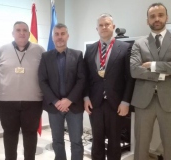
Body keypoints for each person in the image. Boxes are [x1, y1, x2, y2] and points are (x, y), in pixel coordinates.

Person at [84, 14, 134, 160]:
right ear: (96, 29)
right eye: (101, 25)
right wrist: (86, 97)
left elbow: (129, 78)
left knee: (114, 141)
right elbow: (85, 77)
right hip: (95, 103)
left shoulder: (125, 48)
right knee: (97, 140)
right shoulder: (91, 49)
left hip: (116, 103)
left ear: (113, 26)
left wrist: (125, 102)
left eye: (107, 24)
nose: (104, 27)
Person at [0, 21, 45, 160]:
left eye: (24, 30)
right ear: (13, 33)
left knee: (30, 134)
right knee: (10, 134)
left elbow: (45, 74)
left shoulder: (40, 50)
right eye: (18, 30)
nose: (21, 33)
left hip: (33, 101)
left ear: (29, 33)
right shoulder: (2, 50)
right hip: (6, 102)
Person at [130, 3, 171, 160]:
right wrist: (162, 74)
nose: (157, 19)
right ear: (147, 20)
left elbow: (143, 70)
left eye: (160, 15)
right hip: (143, 101)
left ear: (166, 17)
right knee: (140, 145)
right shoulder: (139, 43)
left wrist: (152, 65)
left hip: (168, 100)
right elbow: (134, 70)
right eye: (152, 16)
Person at [39, 23, 85, 160]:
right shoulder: (45, 57)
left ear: (67, 36)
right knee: (57, 141)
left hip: (74, 105)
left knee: (76, 141)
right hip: (54, 106)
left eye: (62, 34)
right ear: (53, 37)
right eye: (57, 34)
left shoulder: (77, 55)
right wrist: (56, 101)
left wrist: (69, 100)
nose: (60, 37)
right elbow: (42, 81)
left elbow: (82, 80)